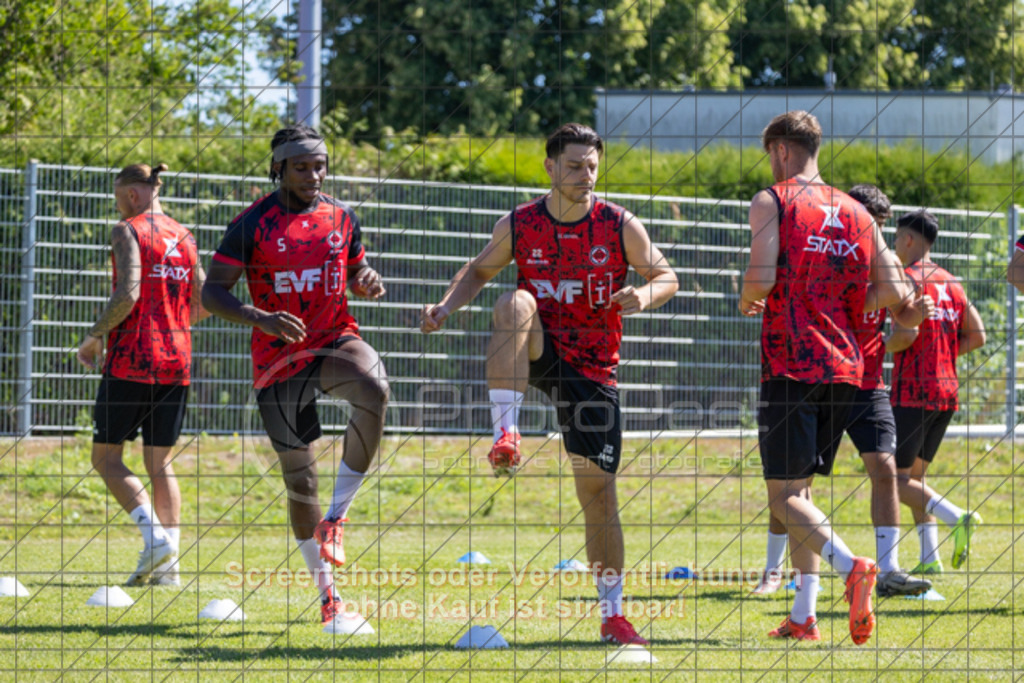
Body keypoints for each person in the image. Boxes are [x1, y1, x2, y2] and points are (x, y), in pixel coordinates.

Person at [420, 123, 679, 646]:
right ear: (550, 168)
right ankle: (506, 434)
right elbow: (478, 270)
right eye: (575, 165)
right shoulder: (520, 224)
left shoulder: (618, 224)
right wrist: (445, 306)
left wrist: (643, 297)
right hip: (536, 348)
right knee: (513, 303)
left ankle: (613, 614)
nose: (586, 175)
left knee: (598, 494)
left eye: (592, 166)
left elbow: (666, 276)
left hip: (592, 370)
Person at [202, 125, 389, 626]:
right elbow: (212, 293)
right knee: (300, 481)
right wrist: (259, 317)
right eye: (302, 167)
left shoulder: (341, 217)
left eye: (320, 165)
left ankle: (338, 517)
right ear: (279, 169)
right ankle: (329, 598)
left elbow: (354, 268)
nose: (314, 175)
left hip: (333, 339)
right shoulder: (251, 224)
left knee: (374, 387)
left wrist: (364, 278)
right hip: (277, 359)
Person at [740, 111, 916, 644]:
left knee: (783, 498)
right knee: (803, 494)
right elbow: (895, 294)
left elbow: (761, 278)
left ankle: (850, 566)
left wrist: (747, 295)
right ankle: (803, 616)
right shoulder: (859, 213)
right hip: (847, 371)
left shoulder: (775, 200)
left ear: (780, 150)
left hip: (791, 362)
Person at [751, 184, 934, 599]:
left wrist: (913, 317)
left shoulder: (883, 262)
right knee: (796, 484)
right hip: (819, 375)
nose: (875, 233)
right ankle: (777, 571)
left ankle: (887, 570)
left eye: (882, 226)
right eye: (871, 223)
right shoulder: (827, 257)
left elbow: (903, 314)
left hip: (866, 383)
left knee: (886, 469)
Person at [77, 162, 206, 587]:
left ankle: (154, 541)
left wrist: (95, 335)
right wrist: (171, 321)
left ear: (132, 195)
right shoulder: (184, 236)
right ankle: (169, 568)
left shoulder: (128, 229)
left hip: (133, 359)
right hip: (177, 360)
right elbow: (204, 301)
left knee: (106, 457)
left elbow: (128, 292)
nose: (118, 208)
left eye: (118, 199)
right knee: (160, 460)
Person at [886, 209, 986, 575]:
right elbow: (978, 335)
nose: (894, 245)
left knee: (892, 482)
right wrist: (943, 354)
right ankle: (930, 559)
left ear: (909, 240)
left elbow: (905, 336)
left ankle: (957, 517)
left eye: (896, 238)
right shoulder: (951, 281)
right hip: (946, 391)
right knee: (915, 479)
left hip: (912, 391)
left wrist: (877, 347)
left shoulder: (906, 279)